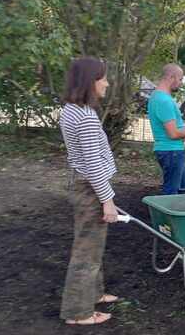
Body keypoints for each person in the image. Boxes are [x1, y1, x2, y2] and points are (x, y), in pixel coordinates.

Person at [59, 57, 119, 325]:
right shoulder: (83, 116)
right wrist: (108, 200)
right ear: (90, 81)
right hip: (91, 188)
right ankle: (78, 312)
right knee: (86, 250)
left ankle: (93, 292)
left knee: (92, 244)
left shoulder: (72, 109)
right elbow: (93, 164)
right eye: (103, 77)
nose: (107, 82)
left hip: (86, 185)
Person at [147, 64, 185, 195]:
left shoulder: (158, 96)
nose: (181, 83)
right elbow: (173, 133)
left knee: (183, 188)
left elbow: (171, 127)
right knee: (171, 192)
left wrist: (182, 129)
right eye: (180, 79)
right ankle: (165, 215)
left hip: (172, 150)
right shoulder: (163, 100)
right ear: (171, 77)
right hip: (171, 151)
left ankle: (183, 214)